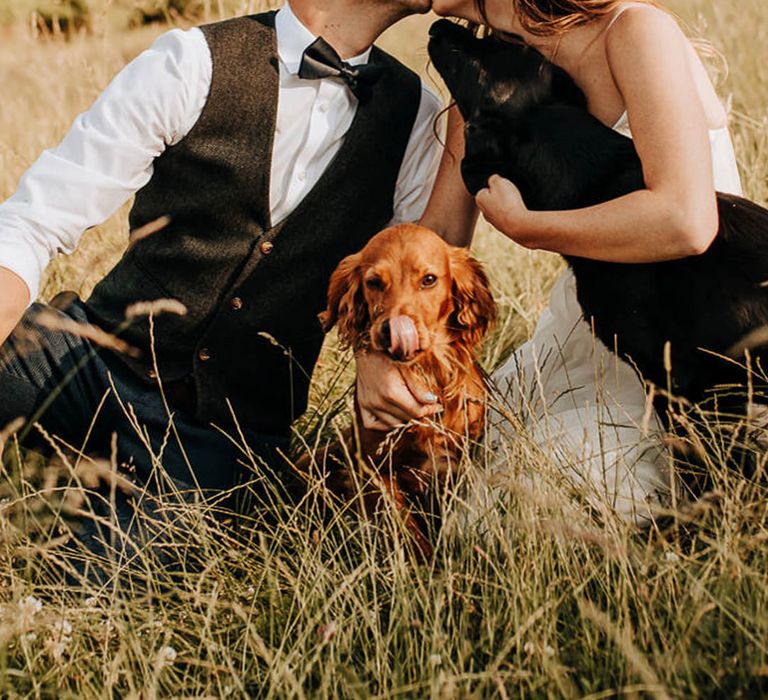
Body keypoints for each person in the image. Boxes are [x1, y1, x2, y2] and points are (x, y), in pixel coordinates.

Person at [0, 0, 443, 567]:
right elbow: (34, 221)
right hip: (88, 364)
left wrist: (376, 357)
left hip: (224, 438)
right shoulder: (190, 63)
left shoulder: (416, 119)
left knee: (85, 581)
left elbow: (408, 285)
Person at [360, 0, 743, 526]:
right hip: (585, 335)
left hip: (698, 346)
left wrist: (529, 229)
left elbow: (686, 220)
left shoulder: (631, 30)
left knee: (514, 511)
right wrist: (375, 350)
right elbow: (439, 235)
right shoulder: (484, 72)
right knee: (441, 479)